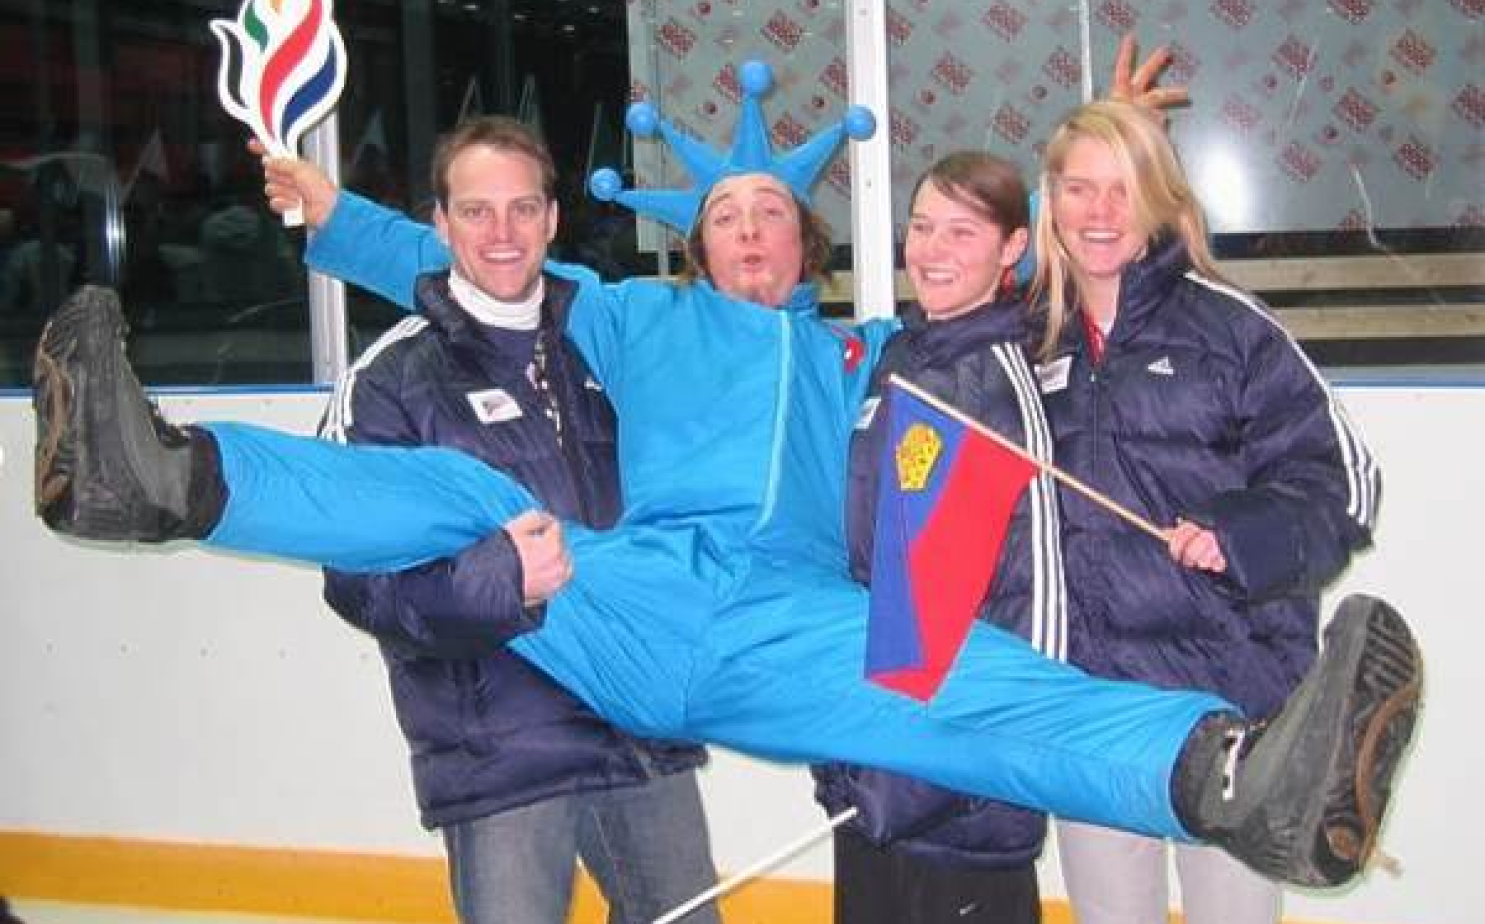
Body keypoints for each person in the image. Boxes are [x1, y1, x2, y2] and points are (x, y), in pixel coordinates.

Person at [31, 59, 1420, 892]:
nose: (751, 232)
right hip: (637, 597)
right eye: (726, 218)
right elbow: (476, 264)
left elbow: (1003, 282)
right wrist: (341, 220)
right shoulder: (634, 314)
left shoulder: (866, 355)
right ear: (698, 247)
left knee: (967, 686)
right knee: (467, 498)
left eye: (772, 215)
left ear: (805, 245)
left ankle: (1230, 779)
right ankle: (163, 480)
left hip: (790, 626)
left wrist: (1106, 143)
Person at [316, 116, 719, 924]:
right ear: (440, 223)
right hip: (502, 746)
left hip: (636, 727)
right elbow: (358, 582)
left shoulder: (608, 349)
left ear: (552, 218)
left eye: (522, 208)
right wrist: (500, 580)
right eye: (476, 211)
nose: (502, 233)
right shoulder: (390, 380)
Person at [1029, 100, 1382, 924]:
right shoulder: (1028, 340)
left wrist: (1240, 534)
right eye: (1079, 188)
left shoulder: (1230, 328)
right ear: (1051, 201)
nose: (1099, 212)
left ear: (1159, 198)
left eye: (1123, 188)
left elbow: (1346, 483)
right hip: (1093, 712)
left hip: (1228, 708)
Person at [815, 151, 1057, 924]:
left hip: (957, 797)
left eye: (962, 231)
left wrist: (948, 763)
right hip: (872, 761)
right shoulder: (898, 358)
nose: (931, 250)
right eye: (921, 227)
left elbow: (1033, 602)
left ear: (1012, 247)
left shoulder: (1003, 378)